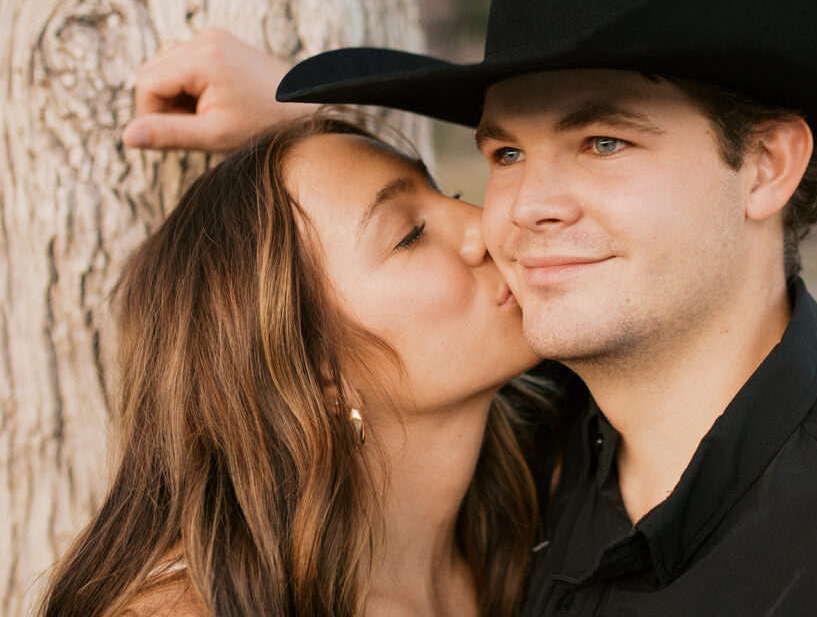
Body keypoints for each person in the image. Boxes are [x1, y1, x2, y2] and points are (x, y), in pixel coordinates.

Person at [123, 0, 817, 615]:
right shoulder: (539, 449)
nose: (513, 214)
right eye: (506, 153)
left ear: (764, 166)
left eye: (604, 141)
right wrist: (307, 121)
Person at [41, 112, 553, 617]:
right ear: (318, 370)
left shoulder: (550, 512)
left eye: (452, 194)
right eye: (410, 234)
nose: (484, 225)